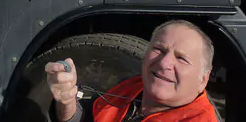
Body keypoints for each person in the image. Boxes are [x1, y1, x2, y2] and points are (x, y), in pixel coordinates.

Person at [45, 20, 221, 121]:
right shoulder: (131, 88)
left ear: (203, 80)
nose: (164, 62)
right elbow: (86, 118)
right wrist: (66, 101)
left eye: (181, 58)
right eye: (158, 49)